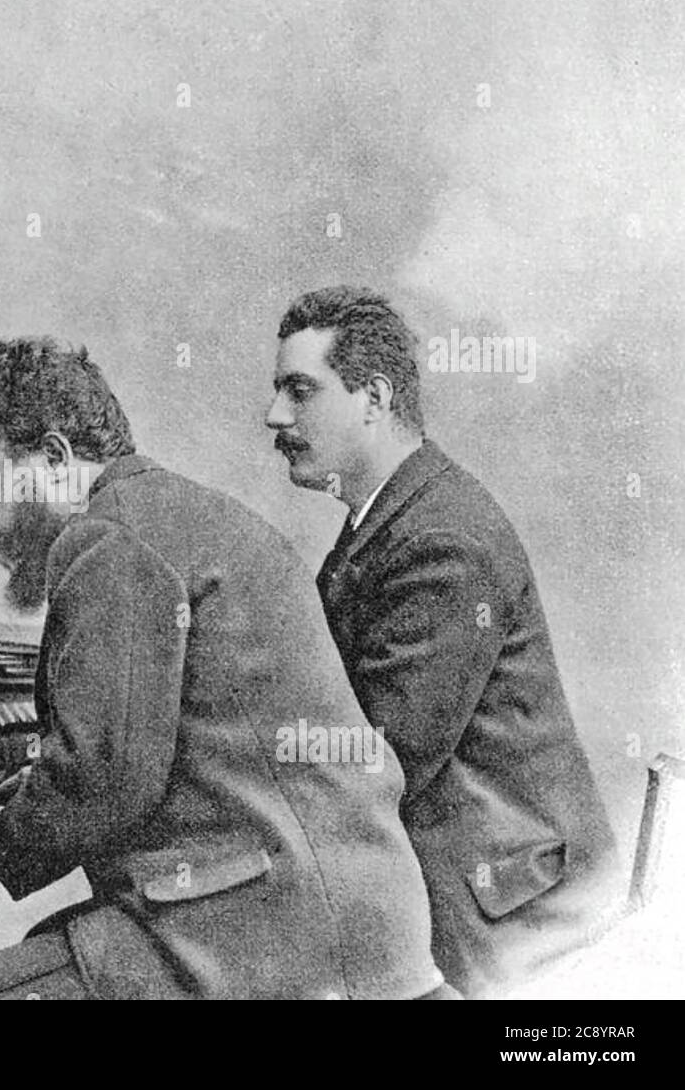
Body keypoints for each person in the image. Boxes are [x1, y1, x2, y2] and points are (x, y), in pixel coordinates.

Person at [0, 336, 449, 1000]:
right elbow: (176, 747)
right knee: (46, 950)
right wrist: (19, 801)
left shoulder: (110, 539)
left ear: (54, 457)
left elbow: (107, 778)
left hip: (262, 932)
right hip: (357, 925)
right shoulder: (180, 514)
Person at [265, 285, 618, 997]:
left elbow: (378, 761)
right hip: (448, 881)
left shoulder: (441, 537)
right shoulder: (393, 515)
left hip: (509, 913)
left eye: (300, 390)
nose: (274, 416)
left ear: (374, 397)